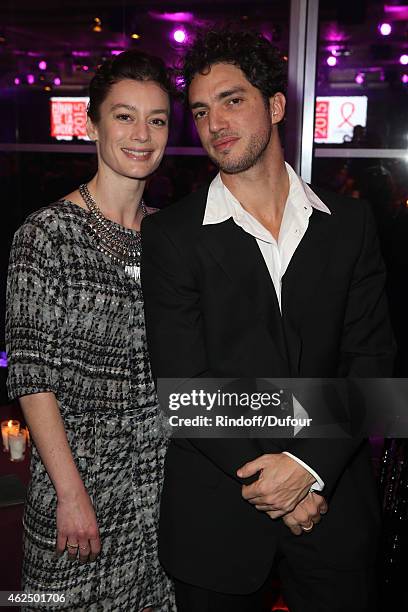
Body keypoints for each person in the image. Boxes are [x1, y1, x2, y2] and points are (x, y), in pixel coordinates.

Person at [141, 29, 394, 612]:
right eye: (202, 111)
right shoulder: (172, 236)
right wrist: (277, 483)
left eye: (233, 100)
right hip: (218, 514)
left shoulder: (350, 224)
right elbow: (183, 388)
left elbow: (372, 365)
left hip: (333, 507)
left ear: (275, 106)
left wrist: (307, 466)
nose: (215, 124)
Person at [6, 50, 176, 611]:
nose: (142, 134)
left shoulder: (172, 240)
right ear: (91, 125)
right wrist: (70, 493)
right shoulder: (46, 235)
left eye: (156, 119)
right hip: (77, 496)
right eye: (124, 116)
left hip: (160, 496)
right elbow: (32, 379)